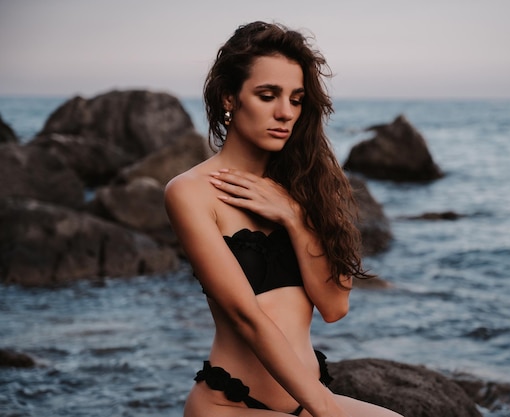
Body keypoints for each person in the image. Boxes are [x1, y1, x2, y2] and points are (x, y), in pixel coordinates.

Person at [165, 21, 403, 417]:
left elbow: (334, 306)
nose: (285, 112)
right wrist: (327, 409)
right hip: (231, 407)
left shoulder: (306, 188)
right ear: (229, 97)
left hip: (306, 402)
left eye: (296, 99)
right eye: (267, 95)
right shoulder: (190, 192)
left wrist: (294, 217)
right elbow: (246, 317)